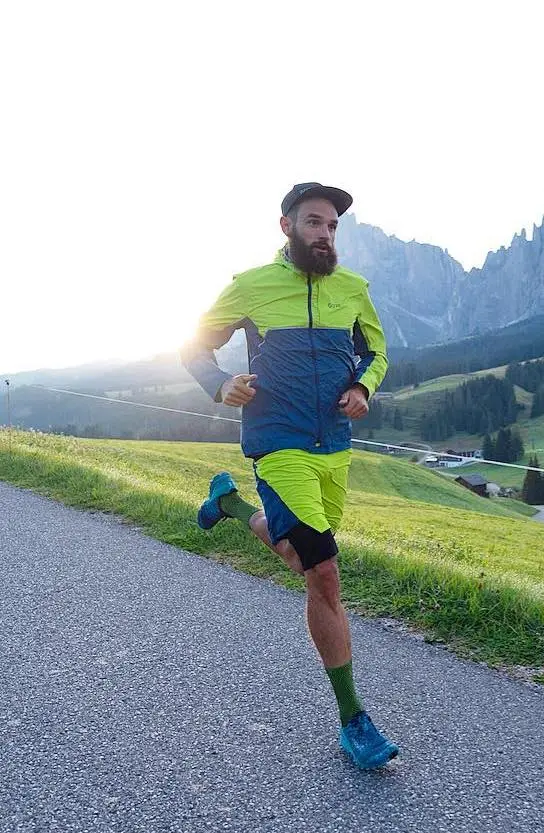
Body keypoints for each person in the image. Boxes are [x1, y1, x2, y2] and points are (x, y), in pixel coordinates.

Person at [180, 182, 397, 769]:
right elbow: (194, 344)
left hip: (335, 448)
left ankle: (226, 506)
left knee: (304, 561)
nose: (325, 234)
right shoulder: (251, 286)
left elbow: (378, 353)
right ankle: (354, 720)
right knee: (324, 574)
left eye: (331, 226)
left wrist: (361, 388)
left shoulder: (353, 290)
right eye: (313, 223)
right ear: (287, 227)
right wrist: (220, 383)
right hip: (277, 443)